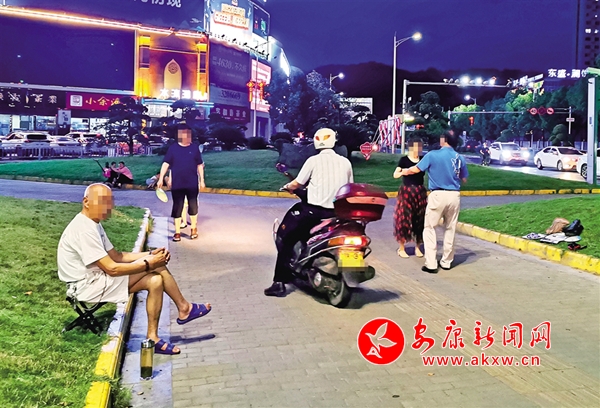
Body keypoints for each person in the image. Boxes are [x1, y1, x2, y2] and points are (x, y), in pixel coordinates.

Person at [57, 183, 211, 355]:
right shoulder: (84, 230)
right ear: (86, 202)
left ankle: (153, 338)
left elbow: (117, 256)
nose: (109, 206)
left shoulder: (93, 224)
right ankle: (184, 308)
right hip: (86, 287)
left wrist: (150, 254)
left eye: (110, 201)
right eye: (104, 201)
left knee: (155, 280)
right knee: (156, 265)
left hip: (97, 279)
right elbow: (112, 268)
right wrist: (149, 263)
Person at [264, 128, 354, 297]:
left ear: (316, 142)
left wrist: (288, 186)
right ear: (333, 141)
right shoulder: (345, 162)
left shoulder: (313, 161)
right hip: (338, 214)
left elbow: (297, 183)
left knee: (287, 239)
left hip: (314, 213)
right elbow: (349, 187)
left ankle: (279, 283)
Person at [399, 130, 469, 273]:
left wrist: (404, 171)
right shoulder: (459, 157)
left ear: (443, 140)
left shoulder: (432, 155)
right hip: (454, 195)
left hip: (437, 195)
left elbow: (416, 169)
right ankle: (446, 261)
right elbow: (464, 179)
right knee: (450, 228)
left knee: (430, 228)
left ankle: (431, 264)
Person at [157, 123, 205, 242]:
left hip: (192, 183)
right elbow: (166, 164)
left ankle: (193, 228)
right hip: (177, 184)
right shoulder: (173, 148)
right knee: (177, 207)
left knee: (193, 206)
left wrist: (202, 180)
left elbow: (199, 165)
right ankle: (177, 232)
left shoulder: (194, 148)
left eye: (188, 134)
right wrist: (161, 178)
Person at [392, 138, 427, 258]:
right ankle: (401, 247)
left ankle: (418, 247)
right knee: (404, 219)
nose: (418, 149)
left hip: (420, 192)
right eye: (415, 147)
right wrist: (404, 172)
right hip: (406, 192)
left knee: (420, 219)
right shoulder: (404, 160)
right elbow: (395, 174)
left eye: (419, 147)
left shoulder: (423, 159)